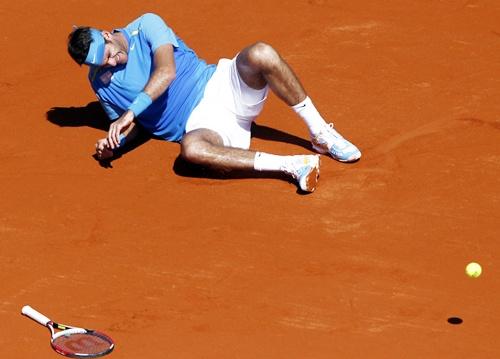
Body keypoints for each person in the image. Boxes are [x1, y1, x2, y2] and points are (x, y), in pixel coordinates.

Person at [67, 13, 361, 193]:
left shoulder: (146, 25)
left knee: (261, 52)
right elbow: (137, 127)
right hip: (203, 126)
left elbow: (166, 71)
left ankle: (320, 133)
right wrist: (115, 143)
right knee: (192, 149)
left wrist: (129, 112)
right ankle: (294, 166)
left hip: (222, 86)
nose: (111, 64)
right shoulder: (100, 82)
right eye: (100, 65)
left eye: (109, 55)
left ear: (107, 35)